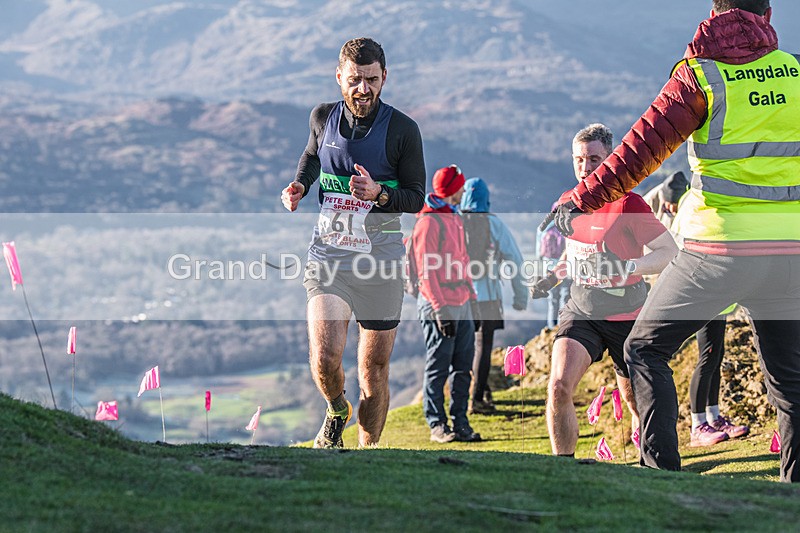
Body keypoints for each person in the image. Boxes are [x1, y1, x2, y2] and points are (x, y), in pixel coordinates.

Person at [542, 1, 800, 481]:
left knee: (645, 348)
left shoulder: (700, 74)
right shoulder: (793, 72)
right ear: (767, 13)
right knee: (791, 382)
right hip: (789, 250)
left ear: (715, 9)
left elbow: (638, 152)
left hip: (721, 248)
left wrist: (578, 201)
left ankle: (661, 478)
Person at [281, 37, 425, 448]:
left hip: (380, 263)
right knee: (326, 359)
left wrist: (379, 194)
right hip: (329, 257)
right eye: (356, 80)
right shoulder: (322, 117)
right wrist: (299, 185)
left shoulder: (402, 130)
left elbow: (416, 198)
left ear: (385, 77)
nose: (364, 89)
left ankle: (368, 454)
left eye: (372, 80)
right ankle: (335, 410)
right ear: (339, 77)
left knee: (373, 371)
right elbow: (312, 158)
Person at [530, 124, 678, 457]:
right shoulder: (567, 203)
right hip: (582, 310)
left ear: (611, 160)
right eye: (579, 160)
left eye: (594, 159)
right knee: (558, 386)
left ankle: (648, 464)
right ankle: (563, 470)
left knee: (634, 401)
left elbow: (668, 252)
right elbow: (574, 254)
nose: (585, 168)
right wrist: (552, 277)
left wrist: (626, 268)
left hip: (627, 314)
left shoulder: (629, 204)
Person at [645, 173, 750, 446]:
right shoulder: (693, 206)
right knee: (708, 357)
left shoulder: (689, 210)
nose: (667, 209)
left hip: (717, 296)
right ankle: (698, 425)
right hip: (707, 297)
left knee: (714, 357)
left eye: (668, 204)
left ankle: (713, 417)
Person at [411, 165, 481, 443]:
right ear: (453, 190)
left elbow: (462, 262)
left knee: (463, 366)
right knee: (439, 366)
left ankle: (461, 423)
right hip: (437, 304)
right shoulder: (429, 222)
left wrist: (473, 299)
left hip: (461, 301)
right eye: (461, 187)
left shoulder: (453, 217)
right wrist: (440, 309)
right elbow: (426, 271)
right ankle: (437, 425)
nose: (464, 191)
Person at [459, 177, 528, 415]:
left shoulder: (454, 222)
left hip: (458, 296)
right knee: (482, 348)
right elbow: (515, 261)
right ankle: (477, 399)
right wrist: (521, 297)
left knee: (463, 348)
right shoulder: (493, 224)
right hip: (487, 297)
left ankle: (469, 395)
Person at [537, 209, 570, 329]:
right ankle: (562, 326)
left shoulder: (544, 228)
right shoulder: (569, 225)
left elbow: (539, 252)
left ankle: (551, 327)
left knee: (552, 299)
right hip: (566, 267)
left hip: (549, 266)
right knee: (565, 296)